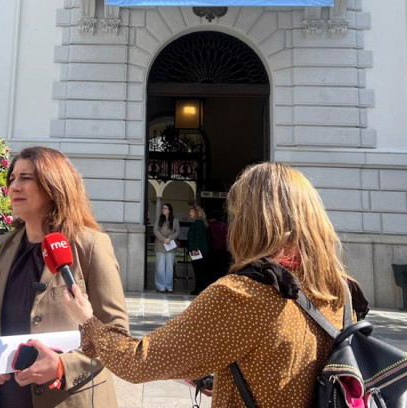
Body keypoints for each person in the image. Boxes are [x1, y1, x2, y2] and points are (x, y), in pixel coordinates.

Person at [63, 162, 368, 408]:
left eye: (235, 214)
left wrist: (88, 322)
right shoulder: (341, 290)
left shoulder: (243, 295)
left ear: (250, 222)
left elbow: (138, 362)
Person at [0, 146, 129, 408]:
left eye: (26, 178)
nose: (14, 186)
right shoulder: (2, 246)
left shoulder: (90, 245)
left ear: (54, 186)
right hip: (7, 397)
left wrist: (62, 366)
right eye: (12, 178)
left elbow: (116, 333)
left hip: (71, 398)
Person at [153, 202, 179, 293]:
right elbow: (155, 230)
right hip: (160, 245)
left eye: (165, 208)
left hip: (170, 246)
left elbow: (177, 232)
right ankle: (160, 286)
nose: (163, 209)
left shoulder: (175, 220)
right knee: (160, 266)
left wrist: (170, 238)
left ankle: (169, 286)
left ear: (169, 210)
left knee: (169, 267)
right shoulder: (159, 219)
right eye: (163, 208)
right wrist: (163, 239)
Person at [187, 204, 210, 295]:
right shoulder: (198, 223)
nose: (190, 213)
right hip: (197, 251)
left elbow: (198, 238)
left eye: (191, 211)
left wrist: (195, 249)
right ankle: (198, 288)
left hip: (197, 251)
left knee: (199, 271)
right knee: (198, 270)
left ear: (196, 213)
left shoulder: (199, 223)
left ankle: (199, 289)